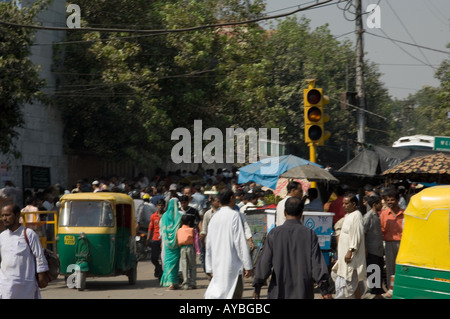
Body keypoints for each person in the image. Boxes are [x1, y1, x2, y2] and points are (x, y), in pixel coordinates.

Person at [253, 197, 332, 299]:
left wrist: (257, 287)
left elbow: (264, 263)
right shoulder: (310, 235)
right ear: (301, 213)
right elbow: (317, 265)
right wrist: (324, 290)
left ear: (285, 212)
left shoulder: (274, 234)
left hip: (278, 292)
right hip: (303, 292)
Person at [204, 189, 253, 299]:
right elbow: (240, 242)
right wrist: (248, 265)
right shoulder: (234, 216)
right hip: (233, 266)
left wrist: (209, 267)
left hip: (217, 265)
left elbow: (209, 245)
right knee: (233, 294)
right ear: (231, 198)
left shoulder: (215, 217)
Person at [0, 203, 49, 299]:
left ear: (17, 215)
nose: (4, 218)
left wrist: (42, 277)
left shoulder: (29, 234)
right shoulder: (2, 236)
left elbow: (39, 257)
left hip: (25, 286)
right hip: (6, 285)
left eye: (7, 215)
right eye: (2, 215)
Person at [331, 193, 366, 299]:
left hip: (350, 258)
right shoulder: (348, 216)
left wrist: (350, 251)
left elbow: (357, 236)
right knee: (345, 282)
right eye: (343, 203)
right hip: (344, 258)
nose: (344, 206)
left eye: (346, 203)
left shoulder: (357, 216)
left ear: (354, 204)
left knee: (349, 284)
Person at [379, 189, 404, 299]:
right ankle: (390, 290)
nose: (390, 202)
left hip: (402, 244)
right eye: (388, 200)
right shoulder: (383, 214)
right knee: (390, 268)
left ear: (397, 200)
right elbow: (381, 229)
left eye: (392, 200)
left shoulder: (405, 214)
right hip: (389, 244)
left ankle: (401, 288)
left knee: (401, 267)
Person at [363, 195, 384, 296]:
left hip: (378, 249)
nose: (382, 205)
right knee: (373, 271)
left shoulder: (377, 216)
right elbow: (363, 233)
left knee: (378, 271)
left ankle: (377, 291)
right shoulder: (368, 216)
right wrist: (365, 248)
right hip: (371, 249)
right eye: (380, 203)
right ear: (375, 205)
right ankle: (372, 292)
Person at [159, 197, 182, 290]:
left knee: (168, 262)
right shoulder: (179, 216)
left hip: (167, 243)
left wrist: (163, 240)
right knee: (175, 263)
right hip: (176, 243)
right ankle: (173, 282)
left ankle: (171, 282)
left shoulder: (164, 216)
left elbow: (161, 229)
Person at [147, 198, 165, 280]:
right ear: (157, 206)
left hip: (164, 239)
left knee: (163, 258)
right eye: (159, 205)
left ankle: (161, 272)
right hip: (155, 239)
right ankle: (158, 267)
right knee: (154, 258)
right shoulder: (153, 216)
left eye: (162, 205)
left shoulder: (166, 215)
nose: (160, 207)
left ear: (164, 206)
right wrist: (148, 239)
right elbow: (150, 228)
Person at [177, 214, 197, 290]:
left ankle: (185, 284)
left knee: (184, 266)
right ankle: (193, 282)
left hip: (182, 248)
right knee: (192, 266)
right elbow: (195, 241)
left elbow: (178, 241)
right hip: (190, 248)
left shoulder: (179, 230)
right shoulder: (192, 230)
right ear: (189, 222)